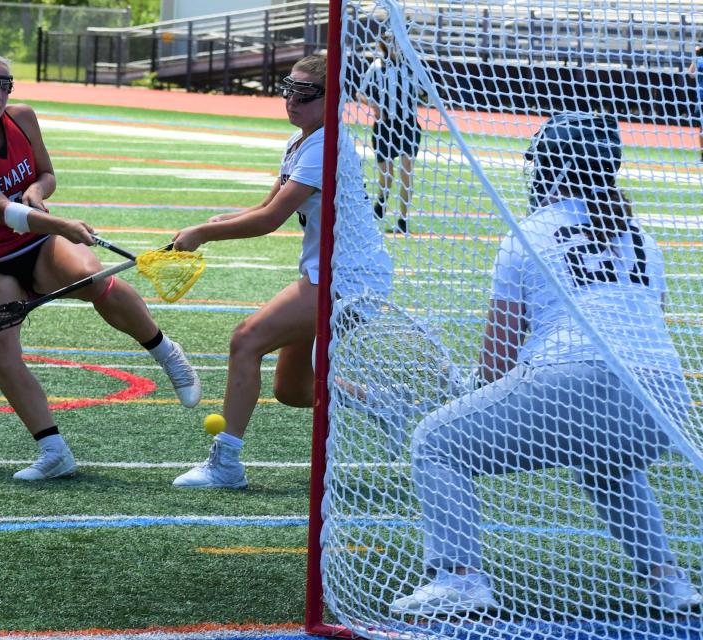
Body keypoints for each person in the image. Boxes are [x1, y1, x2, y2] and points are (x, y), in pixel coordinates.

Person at [390, 112, 702, 616]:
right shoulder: (640, 236)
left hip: (574, 378)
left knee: (435, 442)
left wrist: (472, 392)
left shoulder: (528, 231)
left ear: (554, 169)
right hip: (663, 402)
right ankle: (669, 580)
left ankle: (461, 577)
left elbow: (498, 355)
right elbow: (648, 322)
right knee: (609, 463)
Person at [0, 46, 201, 481]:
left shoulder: (22, 117)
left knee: (89, 275)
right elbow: (0, 210)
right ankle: (54, 451)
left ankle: (166, 352)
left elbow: (47, 174)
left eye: (4, 84)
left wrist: (40, 195)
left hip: (40, 241)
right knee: (1, 349)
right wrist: (58, 223)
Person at [170, 54, 393, 489]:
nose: (292, 101)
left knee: (246, 339)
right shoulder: (302, 140)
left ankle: (226, 464)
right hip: (328, 271)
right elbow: (265, 206)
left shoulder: (325, 145)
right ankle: (380, 403)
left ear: (333, 100)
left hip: (348, 277)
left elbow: (270, 221)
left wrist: (203, 235)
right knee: (293, 389)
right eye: (287, 89)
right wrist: (217, 221)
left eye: (304, 94)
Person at [358, 32, 425, 234]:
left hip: (409, 126)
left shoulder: (413, 67)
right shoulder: (377, 67)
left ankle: (402, 220)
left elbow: (424, 93)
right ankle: (382, 200)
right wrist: (374, 106)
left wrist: (425, 95)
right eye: (390, 42)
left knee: (406, 173)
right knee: (386, 176)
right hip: (384, 128)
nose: (395, 45)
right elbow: (360, 92)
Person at [687, 44, 703, 162]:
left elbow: (691, 75)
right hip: (701, 97)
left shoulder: (699, 60)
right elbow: (691, 74)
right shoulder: (699, 60)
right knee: (702, 128)